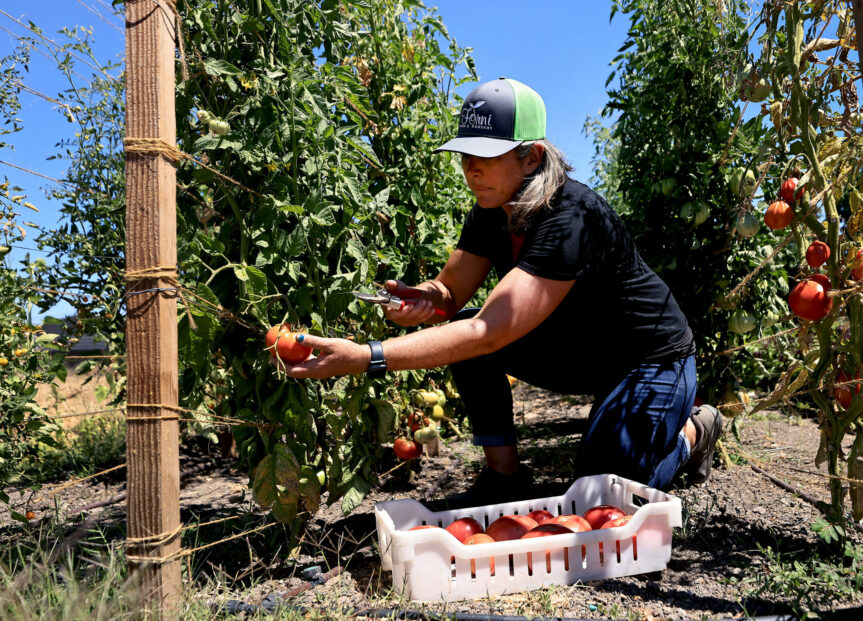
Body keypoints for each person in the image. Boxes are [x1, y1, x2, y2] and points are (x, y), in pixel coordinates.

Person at [281, 77, 722, 504]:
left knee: (601, 496)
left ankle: (693, 433)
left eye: (486, 156)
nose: (472, 169)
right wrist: (425, 299)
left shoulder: (571, 218)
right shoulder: (490, 212)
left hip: (650, 359)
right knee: (460, 325)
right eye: (465, 155)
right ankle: (504, 477)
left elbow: (488, 332)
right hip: (584, 352)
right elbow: (450, 292)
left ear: (532, 157)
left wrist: (367, 357)